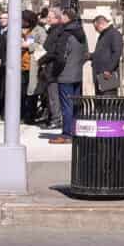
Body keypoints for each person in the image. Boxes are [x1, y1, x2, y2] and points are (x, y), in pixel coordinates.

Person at [49, 7, 87, 144]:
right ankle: (75, 131)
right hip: (77, 74)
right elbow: (85, 54)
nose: (60, 18)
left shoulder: (66, 34)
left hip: (65, 75)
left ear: (66, 18)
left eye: (62, 16)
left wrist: (54, 72)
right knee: (75, 105)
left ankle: (66, 134)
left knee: (66, 106)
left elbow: (60, 57)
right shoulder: (81, 33)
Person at [19, 10, 46, 125]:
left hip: (32, 66)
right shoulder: (17, 29)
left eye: (23, 20)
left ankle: (30, 116)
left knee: (32, 92)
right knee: (20, 93)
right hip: (19, 66)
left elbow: (44, 46)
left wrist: (29, 45)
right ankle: (20, 115)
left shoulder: (39, 30)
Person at [91, 14, 124, 97]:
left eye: (96, 28)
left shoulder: (114, 34)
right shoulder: (103, 35)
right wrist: (90, 56)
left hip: (108, 75)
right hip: (99, 74)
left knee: (108, 101)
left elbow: (117, 53)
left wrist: (109, 69)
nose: (96, 30)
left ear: (101, 24)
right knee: (99, 101)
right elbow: (102, 53)